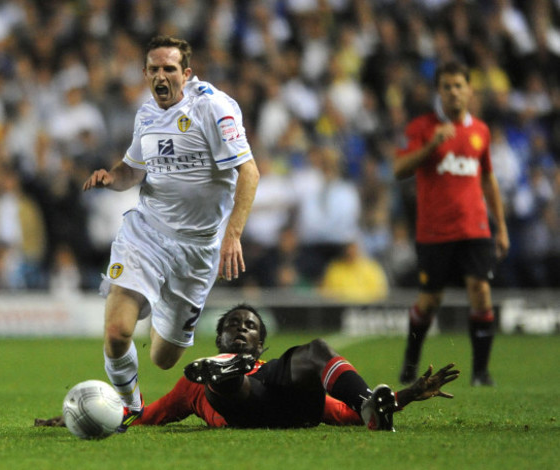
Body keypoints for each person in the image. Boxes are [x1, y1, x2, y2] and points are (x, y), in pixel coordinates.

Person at [81, 35, 259, 430]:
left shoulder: (212, 108)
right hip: (146, 233)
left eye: (170, 69)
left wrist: (233, 235)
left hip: (197, 249)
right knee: (116, 332)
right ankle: (129, 408)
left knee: (163, 357)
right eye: (154, 70)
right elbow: (132, 171)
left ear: (187, 73)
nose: (161, 77)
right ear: (145, 73)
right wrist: (111, 177)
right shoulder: (145, 115)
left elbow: (249, 172)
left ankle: (161, 308)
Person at [36, 304, 459, 431]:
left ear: (260, 343)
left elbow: (343, 415)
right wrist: (83, 418)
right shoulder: (191, 389)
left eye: (250, 327)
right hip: (246, 405)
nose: (242, 329)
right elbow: (145, 415)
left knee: (313, 352)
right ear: (219, 338)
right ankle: (228, 375)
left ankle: (368, 396)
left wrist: (398, 399)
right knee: (227, 386)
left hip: (291, 402)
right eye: (233, 326)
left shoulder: (272, 365)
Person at [393, 61, 510, 387]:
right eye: (447, 86)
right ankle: (411, 361)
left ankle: (481, 374)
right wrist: (432, 145)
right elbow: (400, 168)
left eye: (459, 85)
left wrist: (500, 226)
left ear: (470, 90)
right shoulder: (422, 127)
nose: (454, 91)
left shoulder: (481, 132)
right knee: (430, 300)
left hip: (474, 228)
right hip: (434, 231)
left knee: (481, 292)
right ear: (439, 91)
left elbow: (488, 179)